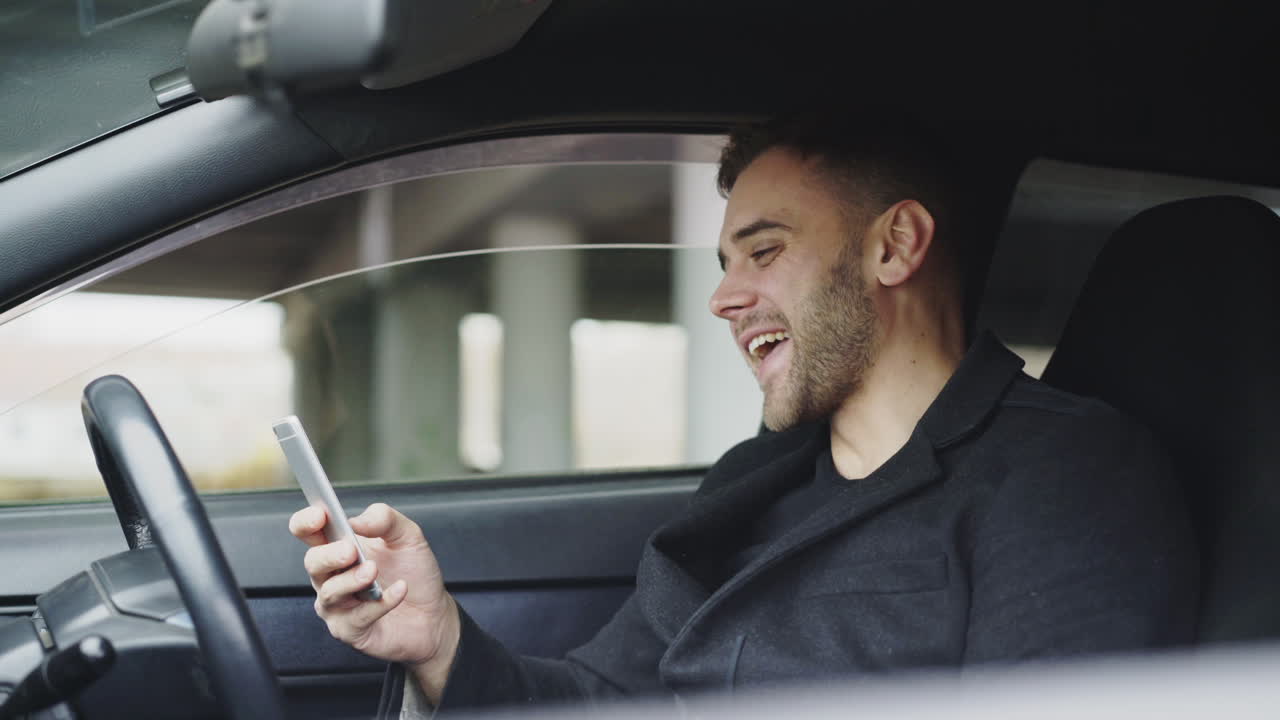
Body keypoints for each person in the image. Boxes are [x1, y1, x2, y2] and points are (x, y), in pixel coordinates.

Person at [289, 114, 1199, 717]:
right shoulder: (749, 484)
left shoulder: (1065, 476)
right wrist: (439, 640)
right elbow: (602, 697)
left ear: (897, 245)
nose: (724, 298)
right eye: (727, 260)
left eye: (764, 250)